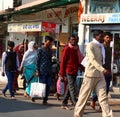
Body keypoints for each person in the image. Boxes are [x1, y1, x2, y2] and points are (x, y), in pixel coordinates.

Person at [74, 30, 113, 117]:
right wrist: (102, 69)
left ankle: (108, 115)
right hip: (91, 74)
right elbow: (92, 60)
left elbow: (104, 60)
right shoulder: (90, 46)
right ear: (96, 36)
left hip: (100, 75)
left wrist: (105, 70)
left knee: (103, 97)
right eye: (101, 36)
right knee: (84, 96)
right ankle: (78, 113)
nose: (103, 37)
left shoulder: (102, 46)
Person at [59, 34, 84, 110]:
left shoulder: (76, 49)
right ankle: (75, 103)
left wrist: (82, 67)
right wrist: (61, 74)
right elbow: (63, 62)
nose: (74, 41)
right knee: (72, 87)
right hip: (68, 70)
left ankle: (64, 102)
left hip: (75, 70)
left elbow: (79, 60)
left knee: (69, 88)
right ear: (69, 40)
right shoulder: (67, 49)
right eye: (72, 39)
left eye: (75, 39)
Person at [90, 32, 112, 109]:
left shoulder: (109, 48)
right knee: (102, 89)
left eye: (109, 38)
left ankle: (100, 103)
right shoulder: (101, 47)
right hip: (102, 70)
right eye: (107, 37)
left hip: (108, 70)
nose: (108, 39)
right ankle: (95, 100)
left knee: (106, 89)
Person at [36, 35, 54, 104]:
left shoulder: (50, 51)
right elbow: (37, 61)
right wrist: (37, 71)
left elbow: (50, 61)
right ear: (45, 42)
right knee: (43, 85)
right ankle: (36, 96)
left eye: (51, 42)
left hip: (48, 71)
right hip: (42, 71)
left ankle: (45, 99)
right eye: (49, 42)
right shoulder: (40, 50)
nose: (50, 44)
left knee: (48, 85)